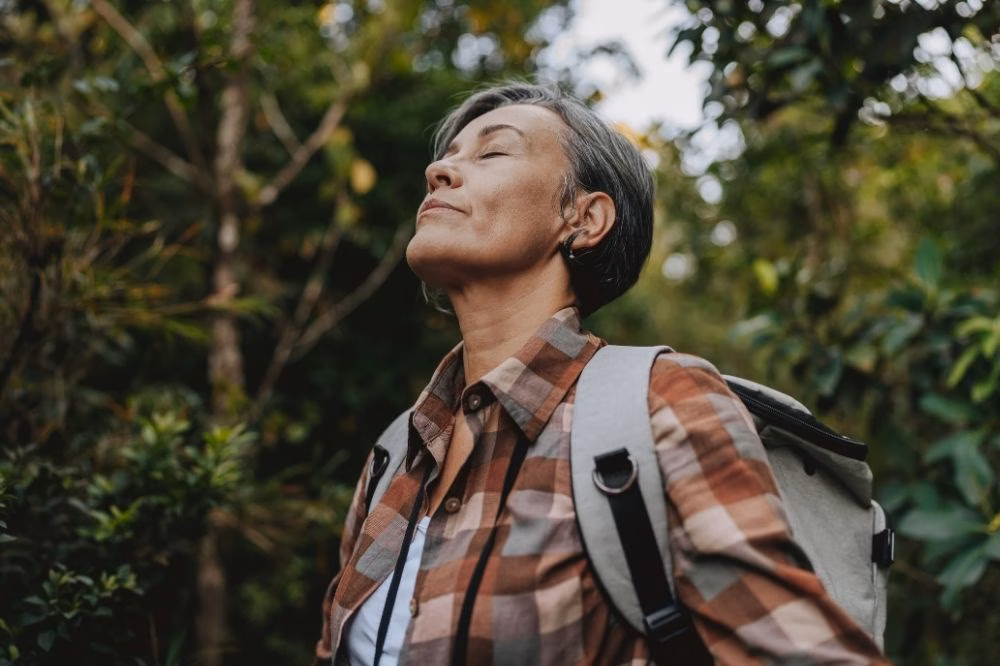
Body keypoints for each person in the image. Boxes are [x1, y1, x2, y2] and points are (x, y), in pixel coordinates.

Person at [313, 81, 889, 665]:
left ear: (585, 219)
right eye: (448, 155)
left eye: (492, 152)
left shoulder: (661, 404)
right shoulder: (396, 453)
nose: (438, 170)